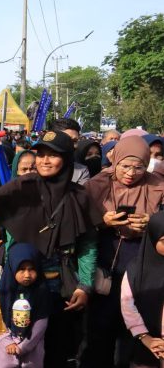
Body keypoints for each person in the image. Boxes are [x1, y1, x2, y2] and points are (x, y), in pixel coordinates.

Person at [0, 130, 103, 367]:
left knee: (56, 347)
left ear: (68, 159)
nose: (44, 160)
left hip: (61, 287)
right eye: (41, 154)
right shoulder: (19, 189)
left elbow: (87, 246)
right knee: (18, 349)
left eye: (53, 155)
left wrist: (85, 286)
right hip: (22, 283)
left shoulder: (80, 197)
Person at [81, 135, 164, 368]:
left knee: (136, 320)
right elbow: (80, 218)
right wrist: (103, 221)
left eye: (138, 167)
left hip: (142, 258)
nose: (131, 173)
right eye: (125, 166)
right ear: (115, 161)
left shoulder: (157, 184)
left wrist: (153, 222)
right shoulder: (98, 184)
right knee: (101, 325)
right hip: (106, 256)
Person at [0, 243, 50, 368]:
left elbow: (41, 323)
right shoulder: (4, 291)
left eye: (31, 269)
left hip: (32, 345)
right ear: (12, 267)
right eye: (21, 269)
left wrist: (24, 346)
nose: (27, 274)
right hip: (7, 346)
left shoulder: (41, 291)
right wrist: (6, 341)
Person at [121, 212, 164, 367]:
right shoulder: (136, 269)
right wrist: (146, 338)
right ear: (152, 239)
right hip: (146, 346)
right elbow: (127, 305)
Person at [50, 119, 90, 185]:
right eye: (66, 139)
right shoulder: (34, 166)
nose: (71, 145)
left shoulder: (81, 171)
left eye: (75, 141)